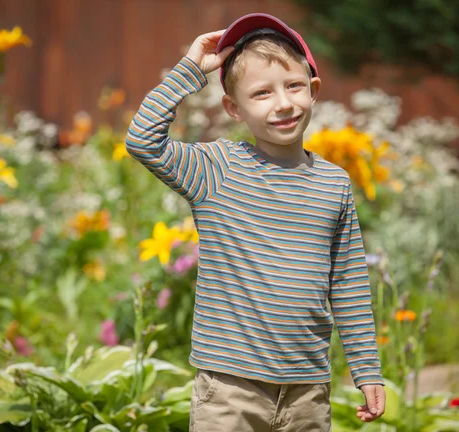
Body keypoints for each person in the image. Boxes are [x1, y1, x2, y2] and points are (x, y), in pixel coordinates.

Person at [125, 12, 386, 431]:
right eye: (261, 93)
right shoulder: (216, 170)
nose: (283, 103)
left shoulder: (333, 184)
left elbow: (349, 283)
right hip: (229, 391)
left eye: (294, 86)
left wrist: (367, 369)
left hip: (307, 390)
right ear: (234, 108)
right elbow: (142, 141)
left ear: (313, 90)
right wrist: (191, 68)